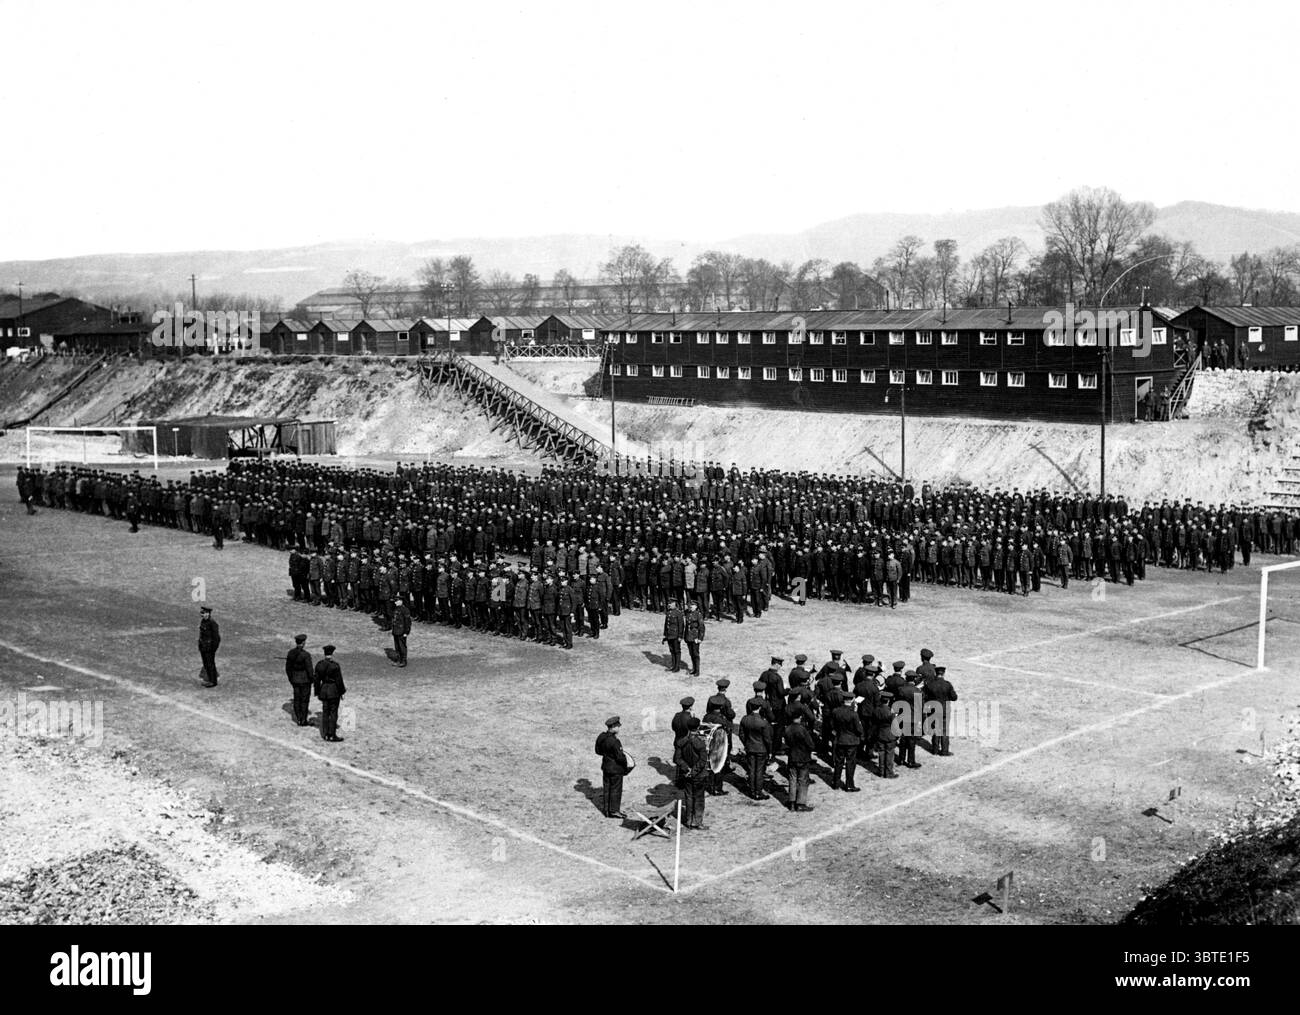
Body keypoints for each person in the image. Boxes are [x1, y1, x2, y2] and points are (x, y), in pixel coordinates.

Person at [674, 716, 709, 830]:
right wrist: (693, 771)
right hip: (698, 775)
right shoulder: (700, 743)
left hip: (686, 774)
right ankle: (697, 822)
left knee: (688, 797)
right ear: (698, 727)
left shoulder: (681, 742)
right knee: (699, 798)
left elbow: (677, 759)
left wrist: (686, 769)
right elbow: (703, 761)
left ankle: (688, 820)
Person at [595, 716, 631, 819]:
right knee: (616, 789)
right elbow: (620, 757)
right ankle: (614, 811)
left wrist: (607, 755)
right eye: (618, 726)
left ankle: (606, 810)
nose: (619, 729)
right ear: (613, 727)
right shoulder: (615, 741)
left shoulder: (602, 737)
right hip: (616, 769)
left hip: (606, 767)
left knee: (607, 789)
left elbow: (597, 751)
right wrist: (625, 765)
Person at [739, 700, 773, 800]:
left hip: (750, 748)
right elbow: (767, 739)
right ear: (759, 708)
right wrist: (770, 751)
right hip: (761, 749)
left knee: (751, 770)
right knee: (759, 771)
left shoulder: (745, 719)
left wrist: (746, 743)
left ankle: (752, 790)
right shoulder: (763, 722)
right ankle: (758, 792)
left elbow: (741, 734)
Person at [831, 692, 865, 791]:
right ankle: (849, 784)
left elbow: (832, 725)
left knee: (838, 762)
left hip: (840, 739)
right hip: (851, 741)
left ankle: (836, 782)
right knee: (850, 763)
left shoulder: (836, 711)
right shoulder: (854, 714)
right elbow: (859, 729)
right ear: (851, 700)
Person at [313, 644, 346, 742]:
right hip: (333, 691)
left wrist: (317, 692)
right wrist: (342, 692)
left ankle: (325, 734)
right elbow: (339, 680)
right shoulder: (335, 666)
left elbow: (316, 680)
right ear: (332, 653)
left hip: (324, 690)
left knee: (325, 713)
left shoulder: (319, 664)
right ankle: (332, 734)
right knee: (333, 713)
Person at [785, 711, 815, 812]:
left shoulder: (787, 729)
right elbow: (810, 744)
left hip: (792, 757)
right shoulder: (803, 729)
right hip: (803, 758)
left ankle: (792, 802)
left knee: (792, 779)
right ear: (800, 717)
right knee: (803, 780)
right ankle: (800, 803)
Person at [285, 633, 314, 726]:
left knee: (297, 699)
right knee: (304, 700)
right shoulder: (306, 655)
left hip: (295, 680)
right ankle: (303, 720)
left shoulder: (291, 653)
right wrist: (312, 679)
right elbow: (310, 670)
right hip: (305, 681)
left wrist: (291, 679)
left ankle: (298, 719)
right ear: (303, 643)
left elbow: (288, 668)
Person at [198, 606, 220, 687]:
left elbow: (216, 638)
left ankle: (213, 681)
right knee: (206, 664)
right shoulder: (203, 621)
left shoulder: (212, 623)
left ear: (208, 613)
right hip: (203, 647)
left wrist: (213, 649)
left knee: (210, 664)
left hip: (209, 648)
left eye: (203, 613)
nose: (201, 614)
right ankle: (210, 678)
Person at [683, 601, 705, 676]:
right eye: (690, 605)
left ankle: (697, 671)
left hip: (695, 637)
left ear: (696, 606)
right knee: (691, 654)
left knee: (695, 654)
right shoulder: (688, 613)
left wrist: (700, 638)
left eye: (692, 605)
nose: (691, 606)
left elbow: (701, 627)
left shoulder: (698, 615)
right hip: (689, 637)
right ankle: (694, 669)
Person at [662, 600, 684, 672]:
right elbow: (666, 625)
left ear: (675, 604)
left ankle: (677, 667)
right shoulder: (668, 612)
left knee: (677, 651)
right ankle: (673, 665)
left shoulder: (678, 613)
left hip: (676, 635)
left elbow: (681, 626)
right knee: (672, 651)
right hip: (669, 635)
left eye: (671, 603)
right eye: (669, 603)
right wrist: (665, 635)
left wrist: (680, 636)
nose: (669, 605)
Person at [391, 597, 411, 666]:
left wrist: (406, 632)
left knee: (402, 647)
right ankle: (398, 659)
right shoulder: (396, 609)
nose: (395, 602)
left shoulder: (405, 610)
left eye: (396, 601)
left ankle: (403, 661)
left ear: (401, 601)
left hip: (402, 631)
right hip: (396, 630)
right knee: (397, 647)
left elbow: (407, 622)